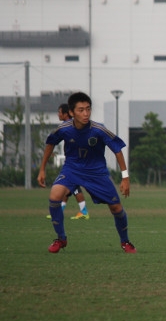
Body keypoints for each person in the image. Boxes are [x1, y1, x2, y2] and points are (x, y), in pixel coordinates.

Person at [37, 92, 137, 254]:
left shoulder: (98, 129)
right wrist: (42, 169)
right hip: (72, 169)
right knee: (55, 195)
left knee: (116, 208)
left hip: (96, 172)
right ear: (71, 112)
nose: (86, 113)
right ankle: (61, 238)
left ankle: (125, 242)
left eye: (88, 109)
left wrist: (125, 177)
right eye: (81, 110)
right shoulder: (64, 129)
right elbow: (50, 143)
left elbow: (117, 150)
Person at [45, 104, 90, 220]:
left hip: (77, 163)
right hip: (73, 162)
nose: (58, 114)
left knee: (72, 187)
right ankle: (60, 210)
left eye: (59, 112)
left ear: (65, 114)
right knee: (67, 187)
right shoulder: (67, 126)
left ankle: (84, 211)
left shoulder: (72, 126)